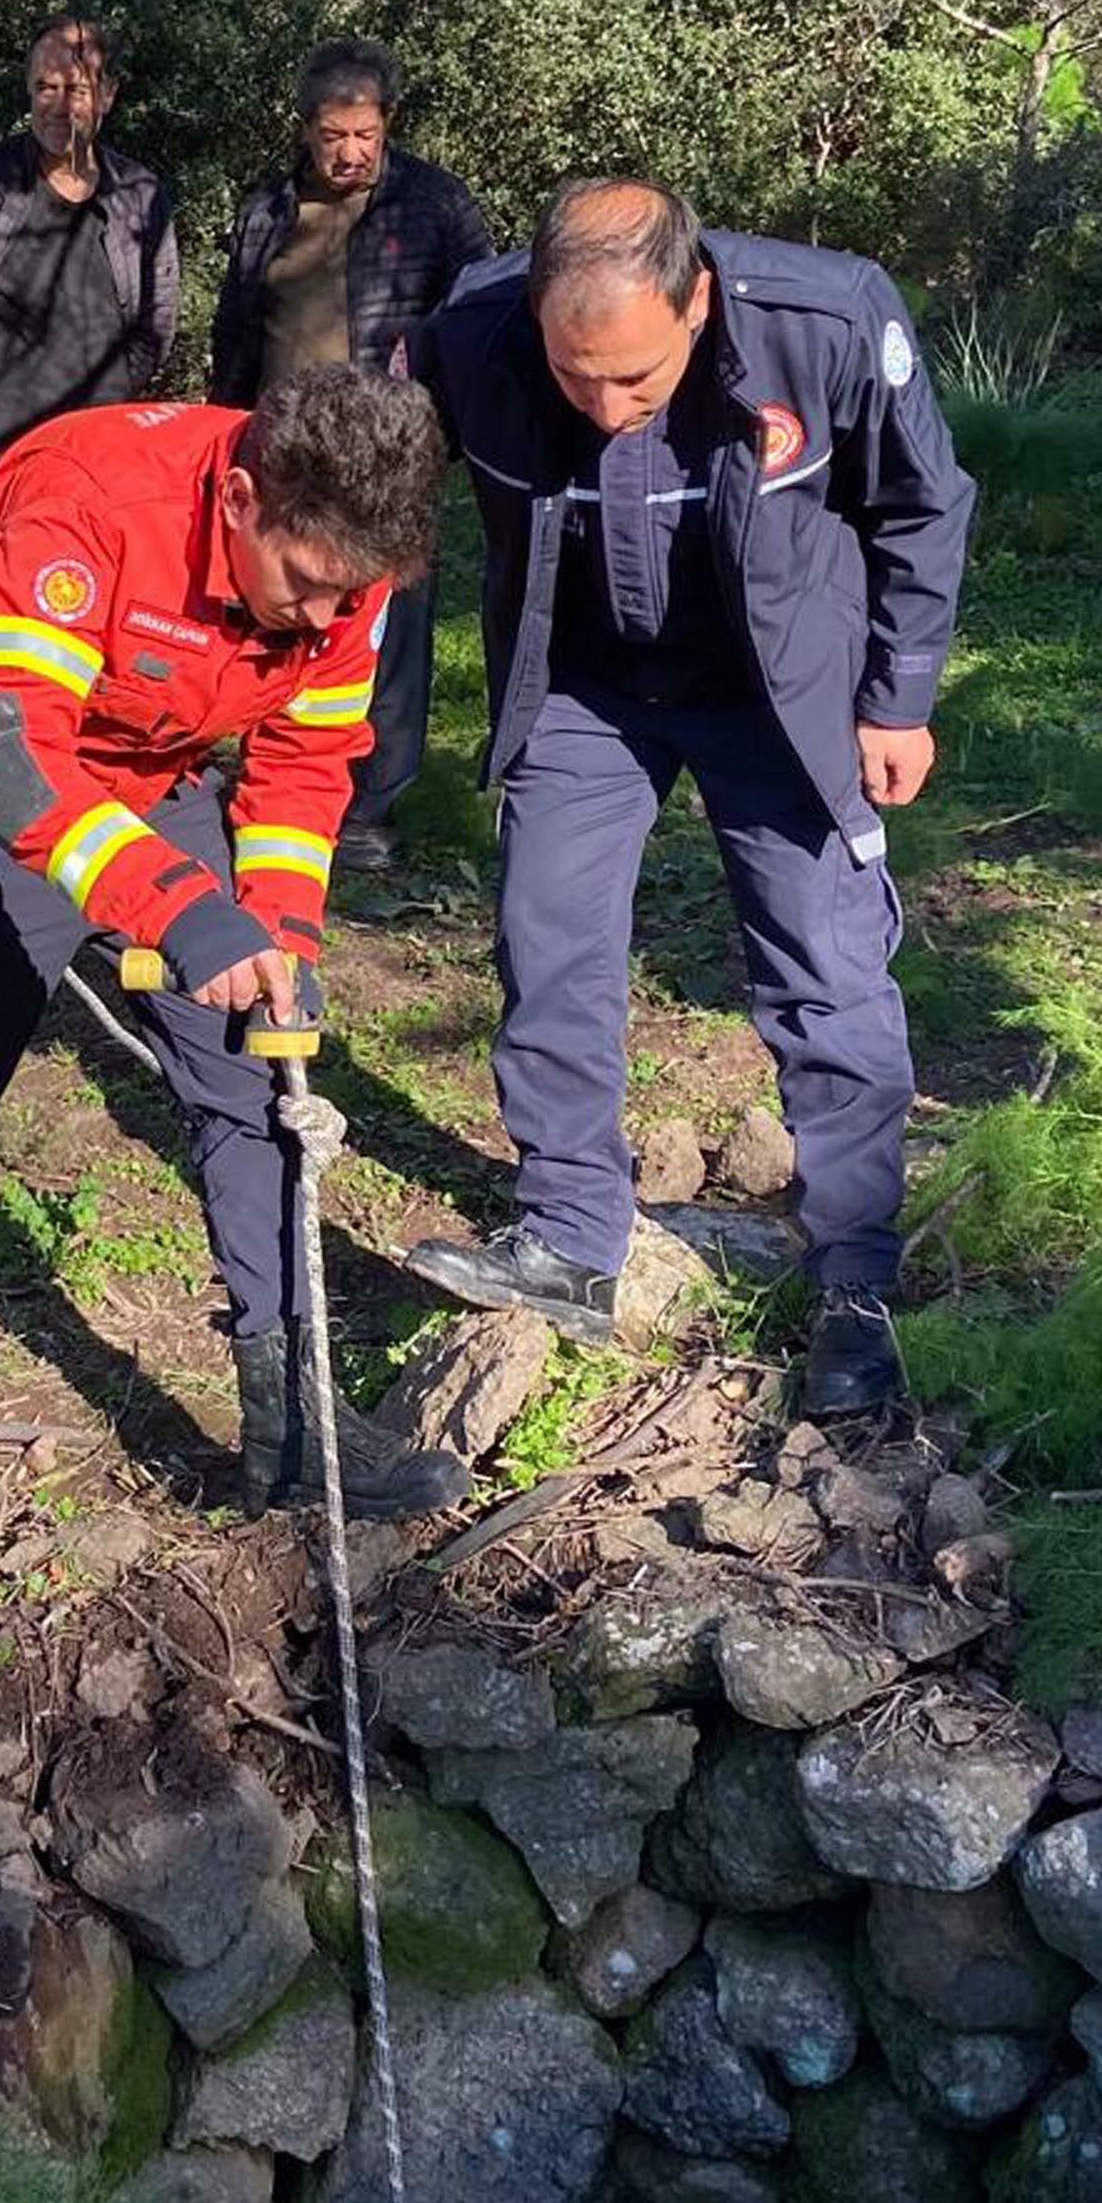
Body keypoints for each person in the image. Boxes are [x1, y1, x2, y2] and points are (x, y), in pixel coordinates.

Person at [0, 368, 471, 1587]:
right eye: (304, 583)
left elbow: (304, 760)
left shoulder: (347, 572)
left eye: (349, 595)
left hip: (144, 772)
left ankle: (294, 1425)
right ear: (238, 499)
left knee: (254, 1078)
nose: (321, 616)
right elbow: (9, 753)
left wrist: (277, 931)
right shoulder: (88, 500)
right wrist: (179, 910)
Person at [408, 177, 974, 1422]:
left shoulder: (825, 321)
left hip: (777, 687)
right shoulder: (470, 334)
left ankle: (854, 1278)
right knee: (548, 935)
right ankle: (569, 1232)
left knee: (824, 967)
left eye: (637, 380)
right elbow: (373, 482)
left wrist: (899, 697)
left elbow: (924, 503)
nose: (608, 410)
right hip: (585, 680)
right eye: (577, 380)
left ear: (698, 300)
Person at [208, 37, 493, 875]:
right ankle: (270, 783)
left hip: (390, 451)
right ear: (306, 128)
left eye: (366, 134)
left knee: (387, 630)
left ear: (388, 123)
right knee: (274, 615)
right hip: (280, 454)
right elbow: (237, 327)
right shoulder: (268, 210)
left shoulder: (436, 205)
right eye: (334, 135)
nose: (351, 152)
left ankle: (370, 805)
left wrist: (447, 434)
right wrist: (222, 426)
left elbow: (478, 321)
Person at [0, 12, 179, 494]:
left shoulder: (139, 194)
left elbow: (157, 322)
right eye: (45, 88)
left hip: (102, 459)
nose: (59, 105)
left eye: (77, 89)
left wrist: (114, 389)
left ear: (108, 95)